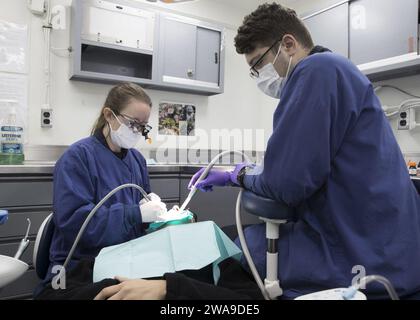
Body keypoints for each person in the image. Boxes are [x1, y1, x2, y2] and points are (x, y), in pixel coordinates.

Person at [188, 3, 420, 299]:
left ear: (288, 44)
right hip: (388, 247)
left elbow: (286, 183)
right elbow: (298, 166)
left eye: (258, 63)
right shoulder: (335, 69)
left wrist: (239, 175)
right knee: (241, 243)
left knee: (237, 251)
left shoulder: (316, 70)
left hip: (362, 253)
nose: (259, 75)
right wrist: (244, 174)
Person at [34, 83, 167, 297]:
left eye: (143, 127)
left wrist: (157, 218)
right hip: (79, 266)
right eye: (133, 124)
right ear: (109, 115)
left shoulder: (137, 160)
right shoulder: (78, 158)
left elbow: (138, 228)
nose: (137, 132)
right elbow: (76, 224)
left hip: (123, 261)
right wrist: (135, 213)